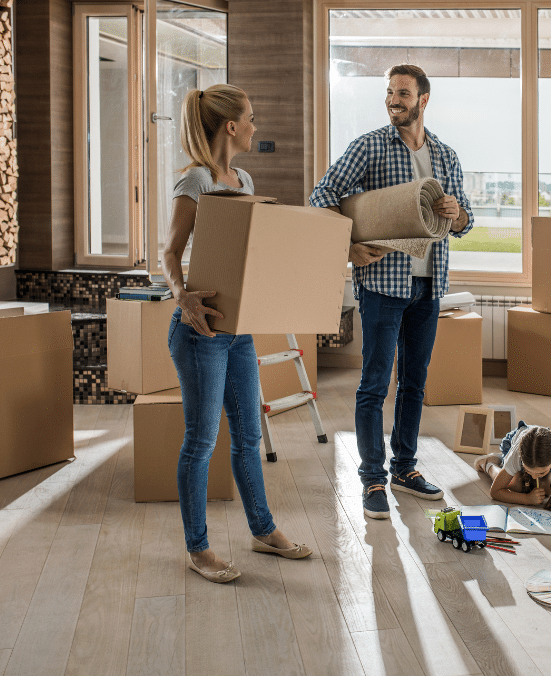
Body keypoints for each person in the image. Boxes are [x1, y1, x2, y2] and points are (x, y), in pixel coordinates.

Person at [309, 64, 474, 520]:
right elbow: (321, 196)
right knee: (374, 384)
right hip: (382, 285)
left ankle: (404, 468)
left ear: (423, 99)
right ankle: (373, 479)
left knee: (415, 383)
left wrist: (456, 212)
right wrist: (349, 246)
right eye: (389, 93)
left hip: (428, 284)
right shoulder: (369, 146)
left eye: (402, 93)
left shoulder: (445, 155)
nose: (392, 100)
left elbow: (464, 224)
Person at [162, 84, 311, 583]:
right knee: (202, 440)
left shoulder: (242, 177)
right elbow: (168, 253)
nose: (254, 124)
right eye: (250, 117)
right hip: (201, 331)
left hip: (238, 330)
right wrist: (181, 295)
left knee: (248, 435)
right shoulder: (196, 183)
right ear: (230, 125)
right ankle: (198, 549)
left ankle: (262, 531)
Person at [474, 423, 551, 518]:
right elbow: (495, 491)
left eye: (541, 472)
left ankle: (525, 469)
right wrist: (527, 499)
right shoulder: (516, 453)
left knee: (546, 490)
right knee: (515, 486)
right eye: (529, 471)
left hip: (542, 445)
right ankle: (490, 463)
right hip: (514, 441)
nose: (534, 477)